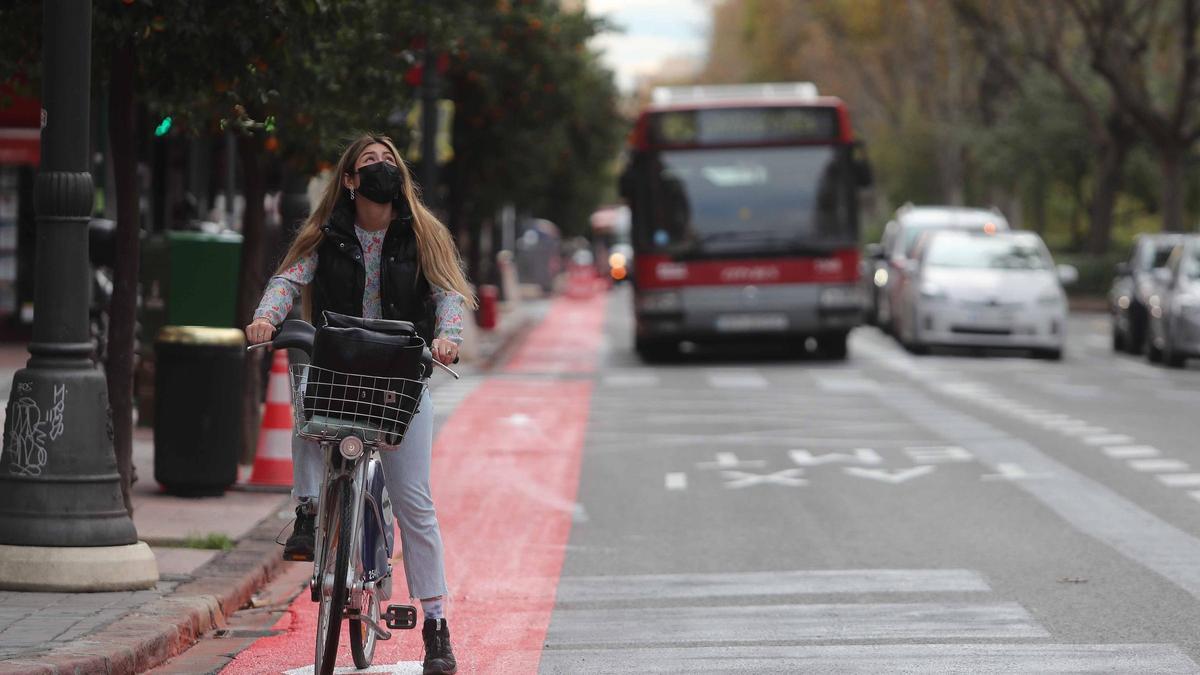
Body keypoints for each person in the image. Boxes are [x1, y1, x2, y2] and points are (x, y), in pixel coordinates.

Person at [245, 135, 474, 675]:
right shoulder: (326, 236)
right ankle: (307, 513)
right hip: (341, 367)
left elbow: (448, 294)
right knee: (307, 403)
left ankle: (436, 627)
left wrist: (448, 336)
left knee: (415, 503)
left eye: (388, 162)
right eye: (368, 162)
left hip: (400, 377)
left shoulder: (423, 235)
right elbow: (287, 279)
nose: (380, 169)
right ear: (348, 180)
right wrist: (264, 317)